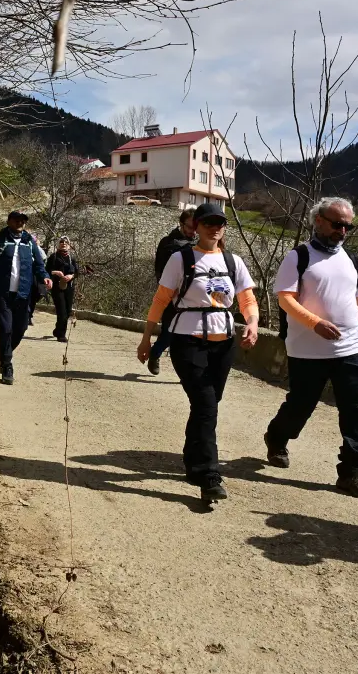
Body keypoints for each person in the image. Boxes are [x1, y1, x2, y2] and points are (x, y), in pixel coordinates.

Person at [135, 203, 259, 506]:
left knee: (208, 404)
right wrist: (146, 338)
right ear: (197, 226)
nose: (214, 228)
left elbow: (247, 298)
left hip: (224, 342)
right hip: (187, 339)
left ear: (224, 227)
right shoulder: (181, 258)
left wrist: (253, 323)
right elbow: (161, 298)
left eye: (219, 223)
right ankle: (208, 476)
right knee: (206, 404)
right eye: (207, 223)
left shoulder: (233, 261)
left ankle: (193, 460)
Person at [263, 197, 358, 500]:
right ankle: (276, 438)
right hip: (307, 349)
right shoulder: (298, 257)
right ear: (319, 220)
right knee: (300, 405)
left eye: (347, 226)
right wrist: (315, 323)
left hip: (352, 347)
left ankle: (352, 473)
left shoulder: (354, 260)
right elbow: (285, 298)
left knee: (357, 411)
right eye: (337, 223)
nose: (343, 230)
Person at [0, 211, 52, 385]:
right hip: (2, 294)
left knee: (21, 328)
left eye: (23, 221)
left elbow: (39, 265)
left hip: (23, 294)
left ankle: (4, 352)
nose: (20, 223)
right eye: (17, 220)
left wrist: (45, 276)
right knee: (6, 328)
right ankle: (7, 365)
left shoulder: (29, 243)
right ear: (9, 221)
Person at [147, 209, 198, 375]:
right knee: (169, 332)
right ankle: (155, 354)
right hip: (171, 297)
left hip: (193, 298)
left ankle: (190, 371)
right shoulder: (168, 243)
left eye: (196, 227)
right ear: (181, 224)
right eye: (190, 227)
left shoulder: (199, 246)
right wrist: (169, 292)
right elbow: (159, 271)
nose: (193, 231)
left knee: (193, 336)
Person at [46, 236, 80, 342]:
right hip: (57, 287)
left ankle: (57, 330)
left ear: (69, 245)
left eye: (66, 242)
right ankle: (61, 335)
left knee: (67, 310)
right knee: (62, 311)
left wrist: (71, 276)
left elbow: (77, 272)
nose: (64, 243)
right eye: (61, 242)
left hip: (69, 288)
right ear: (58, 244)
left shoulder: (72, 258)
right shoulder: (53, 257)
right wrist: (56, 272)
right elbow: (46, 271)